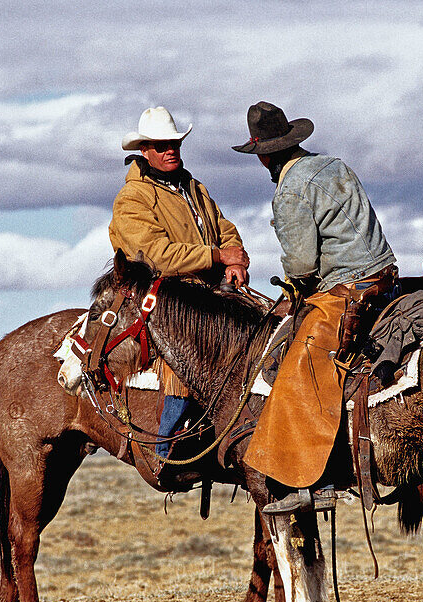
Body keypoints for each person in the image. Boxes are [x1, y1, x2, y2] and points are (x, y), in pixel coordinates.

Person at [232, 101, 397, 514]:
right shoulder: (333, 165)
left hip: (346, 289)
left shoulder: (289, 189)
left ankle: (309, 480)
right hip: (385, 276)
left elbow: (303, 264)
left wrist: (295, 287)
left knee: (300, 368)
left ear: (264, 154)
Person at [109, 106, 249, 476]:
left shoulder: (193, 187)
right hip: (166, 300)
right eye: (160, 146)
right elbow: (155, 256)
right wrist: (216, 256)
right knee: (187, 364)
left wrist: (233, 262)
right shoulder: (133, 200)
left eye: (174, 144)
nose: (170, 151)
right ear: (144, 150)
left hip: (208, 295)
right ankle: (167, 450)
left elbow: (224, 228)